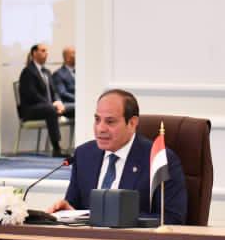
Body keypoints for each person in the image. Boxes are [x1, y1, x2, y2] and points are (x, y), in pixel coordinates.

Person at [48, 88, 188, 224]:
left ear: (132, 123)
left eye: (110, 122)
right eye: (97, 119)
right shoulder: (84, 155)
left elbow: (172, 218)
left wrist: (114, 217)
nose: (100, 128)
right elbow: (74, 206)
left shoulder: (159, 159)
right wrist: (67, 210)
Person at [17, 43, 73, 157]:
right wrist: (52, 105)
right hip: (31, 109)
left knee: (73, 108)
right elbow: (32, 95)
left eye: (46, 51)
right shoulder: (28, 71)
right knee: (51, 109)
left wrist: (58, 102)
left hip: (48, 107)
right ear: (34, 53)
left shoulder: (46, 72)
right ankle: (57, 148)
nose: (46, 53)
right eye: (43, 51)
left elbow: (54, 91)